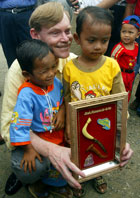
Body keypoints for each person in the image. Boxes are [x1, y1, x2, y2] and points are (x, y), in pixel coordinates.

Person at [0, 1, 133, 197]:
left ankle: (77, 173)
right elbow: (7, 128)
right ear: (35, 35)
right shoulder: (19, 70)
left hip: (75, 132)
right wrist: (51, 149)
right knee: (30, 166)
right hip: (44, 134)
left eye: (67, 30)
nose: (66, 39)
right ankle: (35, 180)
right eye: (55, 33)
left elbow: (113, 104)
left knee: (92, 151)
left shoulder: (78, 62)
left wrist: (118, 139)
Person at [63, 6, 133, 195]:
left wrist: (121, 124)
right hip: (78, 122)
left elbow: (120, 97)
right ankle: (77, 178)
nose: (98, 46)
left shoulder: (111, 65)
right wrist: (69, 125)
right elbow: (67, 98)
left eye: (105, 40)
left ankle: (97, 173)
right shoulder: (70, 68)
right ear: (77, 39)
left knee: (101, 149)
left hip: (103, 122)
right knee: (77, 151)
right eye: (91, 40)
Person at [10, 39, 74, 198]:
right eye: (44, 70)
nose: (51, 73)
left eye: (54, 66)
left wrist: (62, 111)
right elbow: (19, 125)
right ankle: (36, 182)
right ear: (27, 74)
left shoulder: (56, 83)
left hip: (58, 135)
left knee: (61, 164)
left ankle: (56, 184)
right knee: (39, 164)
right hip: (41, 138)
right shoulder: (26, 94)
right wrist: (29, 149)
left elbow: (63, 100)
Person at [0, 0, 37, 68]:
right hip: (5, 15)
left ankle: (33, 77)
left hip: (27, 14)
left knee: (32, 51)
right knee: (10, 54)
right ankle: (14, 77)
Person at [111, 15, 140, 102]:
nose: (126, 35)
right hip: (121, 75)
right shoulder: (119, 48)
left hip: (131, 74)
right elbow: (112, 62)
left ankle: (124, 108)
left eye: (130, 32)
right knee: (118, 93)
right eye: (124, 32)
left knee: (127, 92)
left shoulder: (136, 45)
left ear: (137, 35)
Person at [124, 0, 140, 115]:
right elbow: (130, 4)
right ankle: (123, 102)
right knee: (133, 65)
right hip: (137, 23)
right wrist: (126, 30)